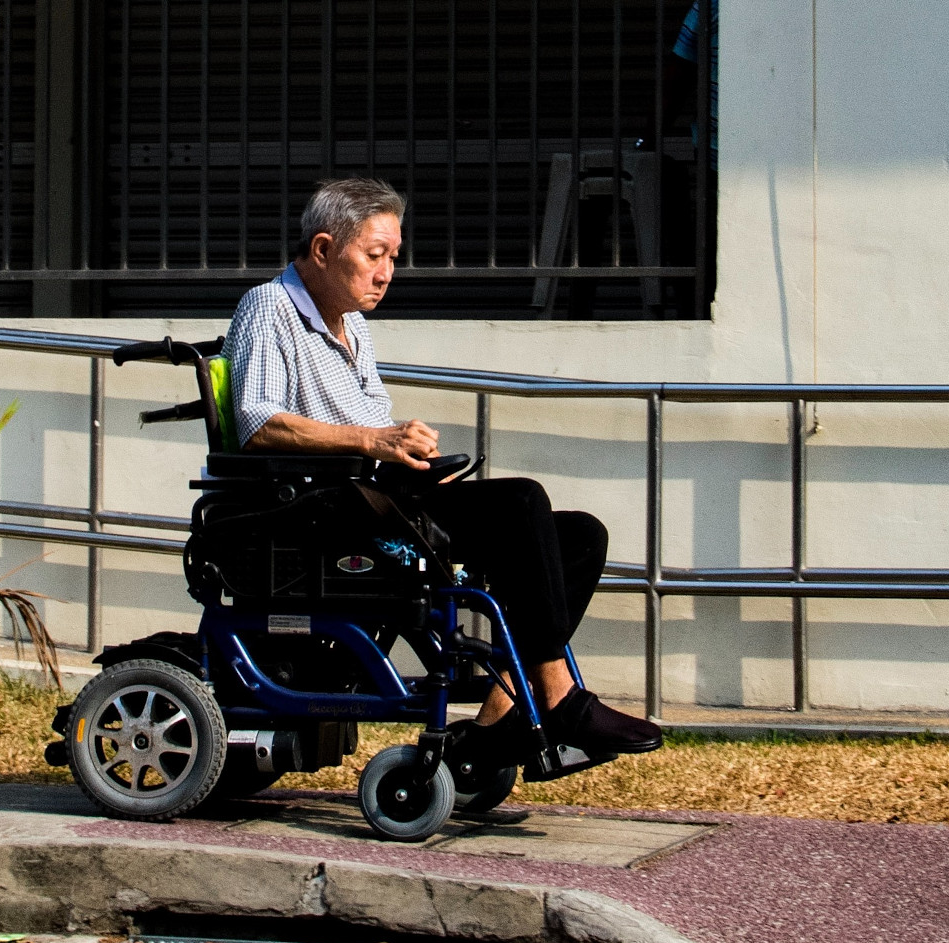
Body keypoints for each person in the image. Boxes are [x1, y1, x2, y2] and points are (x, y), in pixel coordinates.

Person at [221, 177, 662, 763]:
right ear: (324, 250)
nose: (386, 273)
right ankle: (558, 696)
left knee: (580, 535)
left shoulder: (354, 328)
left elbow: (373, 432)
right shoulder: (268, 307)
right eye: (374, 255)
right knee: (523, 500)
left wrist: (414, 461)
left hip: (383, 499)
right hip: (324, 512)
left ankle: (503, 709)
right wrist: (376, 439)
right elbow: (257, 423)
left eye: (392, 259)